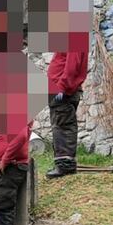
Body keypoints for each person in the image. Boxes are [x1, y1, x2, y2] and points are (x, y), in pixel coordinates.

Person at [45, 49, 88, 178]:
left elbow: (72, 66)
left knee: (63, 125)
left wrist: (62, 87)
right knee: (60, 125)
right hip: (61, 89)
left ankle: (65, 165)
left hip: (64, 91)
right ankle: (62, 163)